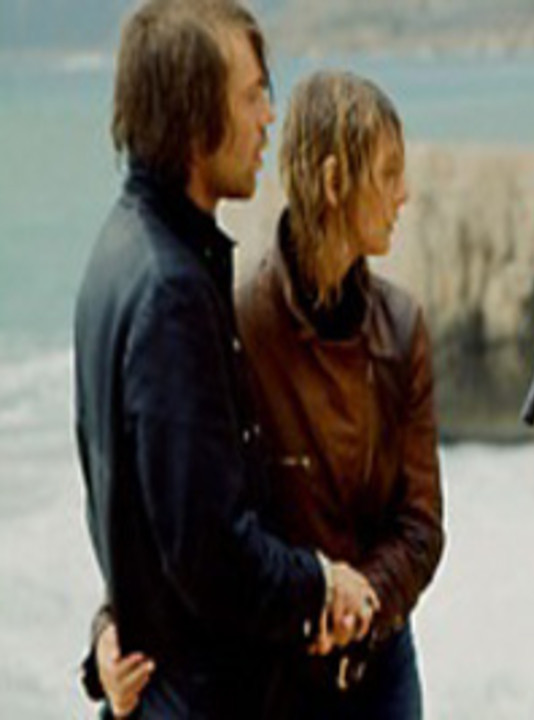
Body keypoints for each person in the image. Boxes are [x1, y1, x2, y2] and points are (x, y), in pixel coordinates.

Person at [92, 69, 448, 718]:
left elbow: (421, 524)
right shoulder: (237, 324)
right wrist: (108, 632)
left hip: (381, 665)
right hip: (276, 679)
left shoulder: (402, 328)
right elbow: (180, 513)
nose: (404, 195)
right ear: (335, 181)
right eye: (389, 173)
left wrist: (360, 603)